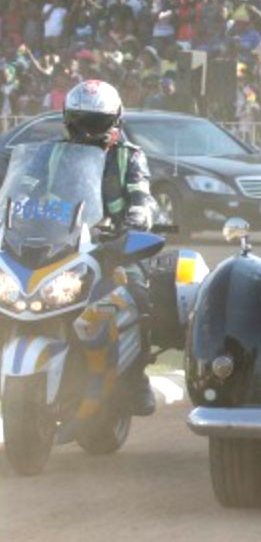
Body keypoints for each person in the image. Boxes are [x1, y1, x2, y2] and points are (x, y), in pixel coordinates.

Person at [63, 79, 159, 416]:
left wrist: (135, 219)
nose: (88, 129)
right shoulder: (56, 154)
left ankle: (135, 378)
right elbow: (32, 189)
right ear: (68, 118)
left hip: (115, 246)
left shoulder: (129, 156)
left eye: (97, 120)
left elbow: (141, 196)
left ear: (114, 119)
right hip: (63, 245)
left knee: (138, 296)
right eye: (81, 119)